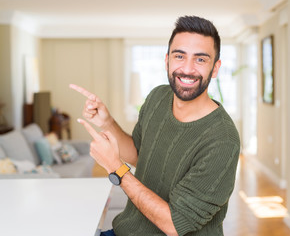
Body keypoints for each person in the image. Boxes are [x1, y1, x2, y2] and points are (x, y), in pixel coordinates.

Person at [70, 15, 240, 236]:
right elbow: (139, 155)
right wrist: (107, 122)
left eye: (200, 59)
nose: (187, 69)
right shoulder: (158, 97)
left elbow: (174, 224)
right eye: (180, 56)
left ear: (215, 68)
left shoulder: (222, 140)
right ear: (167, 60)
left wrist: (116, 169)